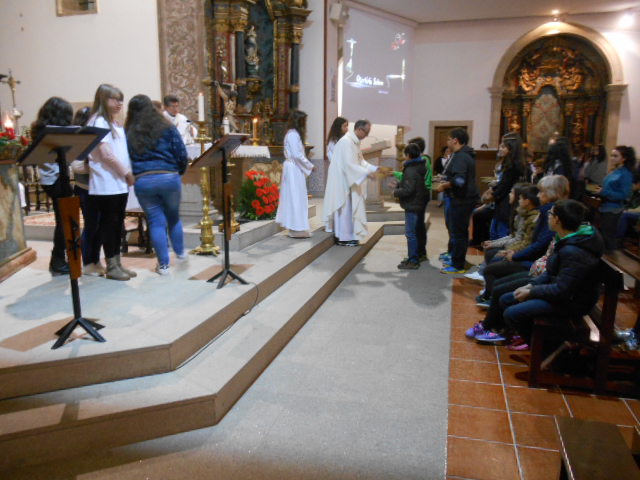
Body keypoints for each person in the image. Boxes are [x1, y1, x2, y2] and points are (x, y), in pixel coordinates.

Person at [499, 199, 604, 348]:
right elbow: (551, 272)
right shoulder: (567, 239)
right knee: (507, 299)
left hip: (573, 303)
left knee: (512, 313)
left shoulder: (574, 251)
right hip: (562, 293)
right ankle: (532, 339)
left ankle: (544, 350)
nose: (547, 216)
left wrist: (532, 292)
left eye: (550, 213)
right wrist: (531, 286)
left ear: (557, 220)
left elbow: (562, 290)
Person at [476, 174, 569, 305]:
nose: (538, 195)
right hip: (536, 259)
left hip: (537, 263)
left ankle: (491, 298)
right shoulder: (544, 212)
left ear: (551, 193)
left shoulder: (551, 214)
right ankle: (491, 295)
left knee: (493, 268)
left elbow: (539, 244)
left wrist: (515, 255)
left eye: (541, 192)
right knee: (494, 260)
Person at [125, 94, 189, 275]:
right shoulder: (166, 126)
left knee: (155, 222)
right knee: (173, 217)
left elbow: (125, 156)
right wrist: (178, 171)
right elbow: (180, 151)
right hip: (169, 177)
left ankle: (163, 265)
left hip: (144, 180)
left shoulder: (129, 131)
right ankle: (181, 253)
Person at [85, 84, 136, 281]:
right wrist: (126, 172)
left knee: (116, 225)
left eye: (121, 99)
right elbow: (106, 154)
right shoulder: (98, 121)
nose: (119, 103)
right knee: (109, 225)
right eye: (114, 99)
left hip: (117, 182)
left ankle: (117, 263)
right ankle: (112, 266)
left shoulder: (113, 123)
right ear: (103, 99)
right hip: (106, 183)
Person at [32, 97, 74, 276]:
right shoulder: (50, 133)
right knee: (64, 222)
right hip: (55, 179)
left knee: (64, 221)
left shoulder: (42, 130)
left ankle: (59, 259)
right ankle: (58, 260)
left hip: (54, 179)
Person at [323, 119, 378, 246]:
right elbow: (349, 164)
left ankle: (349, 236)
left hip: (349, 180)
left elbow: (360, 161)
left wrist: (374, 168)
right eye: (366, 132)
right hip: (342, 182)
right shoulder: (346, 142)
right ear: (359, 129)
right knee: (345, 210)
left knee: (349, 210)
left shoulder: (353, 142)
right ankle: (344, 238)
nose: (367, 135)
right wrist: (366, 173)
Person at [436, 128, 479, 273]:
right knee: (459, 231)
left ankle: (458, 265)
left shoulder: (461, 156)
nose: (447, 142)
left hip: (462, 199)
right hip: (463, 199)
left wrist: (444, 185)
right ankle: (457, 259)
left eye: (448, 139)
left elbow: (460, 180)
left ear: (455, 140)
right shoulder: (463, 154)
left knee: (459, 233)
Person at [69, 106, 105, 276]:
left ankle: (96, 260)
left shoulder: (95, 136)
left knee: (100, 227)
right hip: (85, 188)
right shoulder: (78, 139)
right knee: (91, 226)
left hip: (100, 188)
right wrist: (98, 166)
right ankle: (88, 263)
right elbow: (76, 167)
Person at [275, 110, 315, 238]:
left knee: (297, 197)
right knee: (294, 197)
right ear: (299, 122)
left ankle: (297, 228)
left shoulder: (294, 134)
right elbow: (297, 155)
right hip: (293, 169)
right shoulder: (293, 134)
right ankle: (295, 229)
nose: (305, 124)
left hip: (295, 169)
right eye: (304, 121)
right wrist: (310, 166)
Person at [391, 143, 428, 269]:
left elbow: (408, 190)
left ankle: (413, 260)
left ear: (408, 155)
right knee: (414, 232)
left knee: (410, 233)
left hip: (412, 204)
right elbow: (412, 185)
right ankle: (415, 256)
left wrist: (395, 192)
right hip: (417, 202)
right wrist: (398, 184)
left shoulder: (411, 169)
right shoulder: (418, 166)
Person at [592, 145, 635, 252]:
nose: (612, 158)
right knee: (603, 236)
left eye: (615, 156)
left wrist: (604, 192)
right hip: (604, 206)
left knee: (608, 238)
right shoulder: (615, 171)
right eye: (611, 155)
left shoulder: (625, 174)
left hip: (613, 209)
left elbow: (625, 195)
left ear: (624, 158)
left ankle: (610, 259)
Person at [484, 132, 525, 240]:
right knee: (493, 232)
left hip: (507, 204)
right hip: (501, 203)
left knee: (500, 235)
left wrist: (491, 194)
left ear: (511, 149)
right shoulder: (507, 163)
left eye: (503, 146)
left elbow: (504, 186)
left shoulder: (514, 166)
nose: (500, 148)